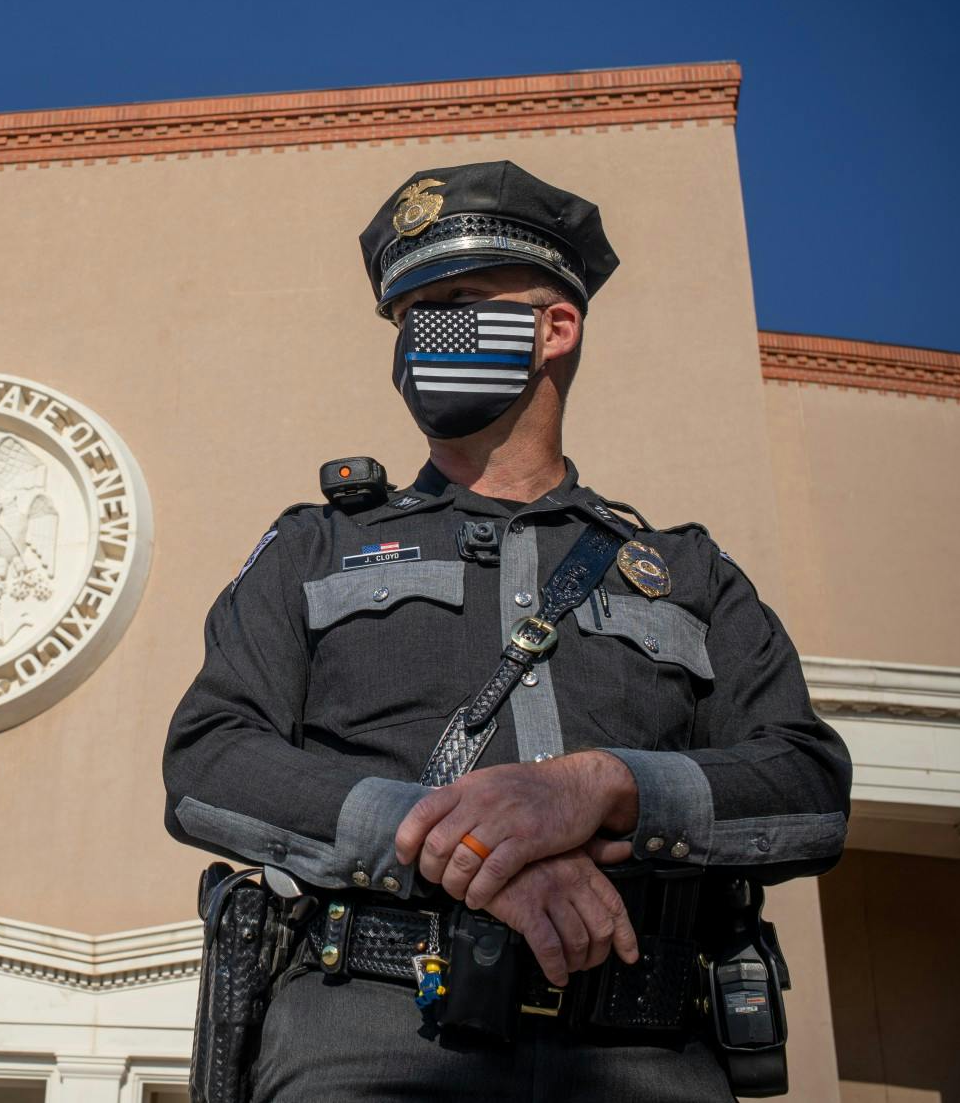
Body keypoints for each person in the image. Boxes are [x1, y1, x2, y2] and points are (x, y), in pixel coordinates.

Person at [162, 160, 851, 1100]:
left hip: (648, 1051)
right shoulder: (314, 546)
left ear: (554, 326)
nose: (422, 336)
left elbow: (809, 785)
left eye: (457, 300)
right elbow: (208, 761)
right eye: (409, 316)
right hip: (366, 1037)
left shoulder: (690, 573)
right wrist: (451, 843)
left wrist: (603, 787)